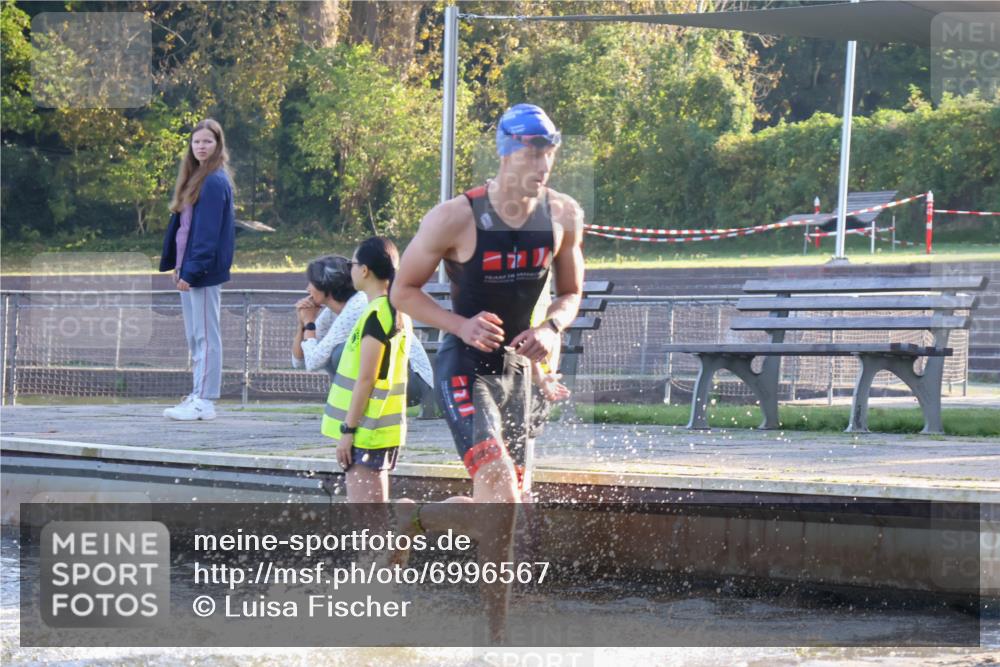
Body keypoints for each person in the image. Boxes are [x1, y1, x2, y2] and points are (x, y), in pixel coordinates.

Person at [390, 103, 584, 641]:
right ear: (504, 150)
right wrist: (460, 323)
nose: (542, 162)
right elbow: (401, 291)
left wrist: (551, 329)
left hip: (518, 374)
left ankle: (492, 640)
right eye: (531, 150)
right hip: (465, 368)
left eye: (548, 151)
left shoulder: (564, 214)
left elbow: (569, 293)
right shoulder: (456, 216)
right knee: (498, 495)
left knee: (505, 516)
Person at [321, 237, 412, 502]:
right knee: (373, 523)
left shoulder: (377, 315)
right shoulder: (392, 310)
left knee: (368, 524)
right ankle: (407, 524)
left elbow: (366, 379)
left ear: (364, 270)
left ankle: (412, 520)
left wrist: (347, 432)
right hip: (377, 428)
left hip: (366, 431)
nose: (350, 269)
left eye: (352, 263)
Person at [159, 119, 236, 421]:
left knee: (206, 335)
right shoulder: (196, 177)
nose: (201, 146)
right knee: (195, 336)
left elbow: (206, 234)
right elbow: (184, 229)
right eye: (196, 142)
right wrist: (179, 267)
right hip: (188, 269)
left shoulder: (215, 181)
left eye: (208, 142)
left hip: (202, 273)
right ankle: (197, 393)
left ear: (218, 145)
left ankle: (204, 400)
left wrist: (192, 272)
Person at [292, 254, 434, 406]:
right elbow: (299, 362)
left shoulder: (356, 307)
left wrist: (309, 323)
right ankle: (350, 409)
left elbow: (313, 362)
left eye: (311, 283)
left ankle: (353, 412)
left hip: (413, 382)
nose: (307, 289)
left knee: (339, 353)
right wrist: (302, 324)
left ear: (326, 284)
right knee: (331, 353)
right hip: (394, 378)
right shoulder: (332, 312)